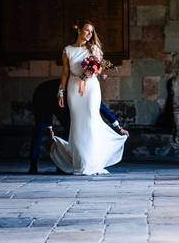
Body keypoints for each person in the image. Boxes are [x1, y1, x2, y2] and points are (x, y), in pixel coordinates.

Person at [48, 20, 127, 174]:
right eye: (86, 30)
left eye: (91, 31)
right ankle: (81, 163)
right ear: (79, 31)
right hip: (73, 88)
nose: (89, 33)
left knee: (91, 118)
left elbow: (100, 69)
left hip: (90, 87)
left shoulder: (94, 48)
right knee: (77, 124)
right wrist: (61, 91)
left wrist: (93, 69)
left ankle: (93, 162)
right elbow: (65, 73)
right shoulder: (68, 50)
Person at [28, 78, 128, 174]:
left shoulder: (83, 87)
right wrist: (118, 127)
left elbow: (101, 107)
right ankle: (55, 165)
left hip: (49, 92)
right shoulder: (84, 89)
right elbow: (101, 107)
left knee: (49, 129)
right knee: (47, 129)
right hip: (46, 95)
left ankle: (43, 166)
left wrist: (118, 126)